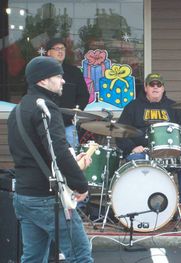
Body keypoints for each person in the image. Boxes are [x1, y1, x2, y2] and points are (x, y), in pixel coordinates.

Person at [7, 56, 93, 262]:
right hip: (48, 198)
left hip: (24, 196)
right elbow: (59, 151)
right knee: (80, 256)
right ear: (43, 80)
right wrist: (81, 185)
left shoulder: (17, 111)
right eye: (58, 76)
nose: (63, 81)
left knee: (33, 258)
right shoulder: (45, 108)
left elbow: (36, 153)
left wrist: (73, 160)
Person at [117, 72, 181, 208]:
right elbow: (119, 132)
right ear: (146, 88)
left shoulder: (174, 107)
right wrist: (131, 148)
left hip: (169, 153)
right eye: (152, 84)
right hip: (143, 152)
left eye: (159, 84)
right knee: (135, 159)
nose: (155, 87)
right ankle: (138, 202)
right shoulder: (133, 107)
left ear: (163, 88)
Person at [46, 37, 90, 149]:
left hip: (68, 125)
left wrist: (75, 112)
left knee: (73, 155)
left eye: (63, 49)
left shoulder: (74, 72)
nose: (60, 51)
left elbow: (84, 95)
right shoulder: (42, 71)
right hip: (45, 125)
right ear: (48, 52)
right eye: (57, 49)